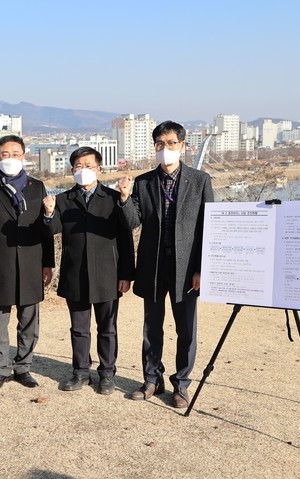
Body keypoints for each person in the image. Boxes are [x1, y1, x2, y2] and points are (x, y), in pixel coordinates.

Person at [117, 121, 214, 408]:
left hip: (187, 268)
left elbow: (209, 227)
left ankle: (181, 384)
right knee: (152, 327)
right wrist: (125, 198)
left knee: (186, 330)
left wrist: (202, 268)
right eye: (160, 144)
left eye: (171, 143)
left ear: (182, 146)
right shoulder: (144, 182)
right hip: (154, 266)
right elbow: (133, 222)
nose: (165, 148)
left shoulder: (200, 180)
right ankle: (152, 378)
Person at [42, 147, 134, 395]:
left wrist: (126, 274)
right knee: (79, 328)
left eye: (89, 165)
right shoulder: (63, 199)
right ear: (72, 170)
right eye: (78, 166)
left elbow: (126, 237)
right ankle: (81, 372)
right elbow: (52, 231)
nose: (83, 170)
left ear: (99, 169)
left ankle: (107, 373)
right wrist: (48, 213)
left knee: (108, 328)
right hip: (75, 273)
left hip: (108, 274)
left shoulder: (114, 198)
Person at [0, 135, 54, 389]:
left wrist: (47, 263)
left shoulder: (37, 186)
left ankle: (24, 367)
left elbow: (45, 230)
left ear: (23, 156)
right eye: (5, 154)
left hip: (31, 261)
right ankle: (2, 369)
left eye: (15, 154)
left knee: (29, 319)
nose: (10, 158)